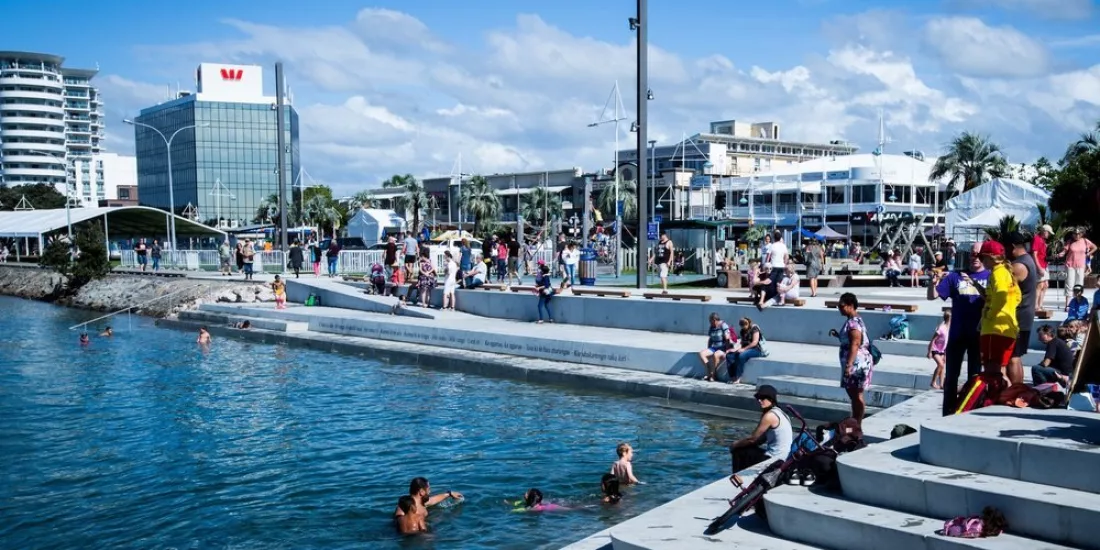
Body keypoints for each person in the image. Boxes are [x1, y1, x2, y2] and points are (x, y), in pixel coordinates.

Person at [929, 247, 989, 415]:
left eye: (978, 255)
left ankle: (970, 409)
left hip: (978, 333)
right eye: (972, 254)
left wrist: (974, 283)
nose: (975, 257)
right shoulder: (956, 276)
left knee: (975, 375)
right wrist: (933, 282)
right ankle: (948, 412)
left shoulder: (991, 276)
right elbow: (932, 295)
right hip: (957, 333)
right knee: (951, 376)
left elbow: (992, 299)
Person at [972, 240, 1021, 387]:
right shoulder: (1008, 273)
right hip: (1008, 328)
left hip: (994, 328)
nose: (981, 262)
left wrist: (990, 314)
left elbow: (1001, 295)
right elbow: (1017, 297)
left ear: (990, 258)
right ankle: (1007, 395)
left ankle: (996, 397)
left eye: (982, 258)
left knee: (991, 369)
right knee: (1000, 369)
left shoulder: (998, 273)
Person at [829, 292, 874, 423]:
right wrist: (838, 335)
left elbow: (855, 342)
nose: (839, 308)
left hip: (856, 364)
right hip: (854, 362)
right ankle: (855, 421)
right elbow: (849, 340)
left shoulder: (853, 322)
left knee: (856, 394)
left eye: (841, 306)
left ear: (851, 305)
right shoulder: (852, 320)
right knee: (853, 394)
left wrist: (849, 365)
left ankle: (857, 423)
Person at [728, 384, 793, 473]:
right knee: (747, 448)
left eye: (762, 398)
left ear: (771, 399)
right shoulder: (781, 413)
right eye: (758, 398)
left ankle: (737, 476)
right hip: (784, 457)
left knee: (738, 450)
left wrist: (735, 444)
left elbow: (752, 439)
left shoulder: (769, 416)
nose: (759, 400)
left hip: (774, 459)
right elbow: (760, 440)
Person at [1007, 232, 1037, 386]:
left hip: (1018, 317)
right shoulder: (1028, 260)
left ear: (1012, 247)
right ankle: (1018, 389)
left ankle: (1015, 390)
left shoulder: (1018, 265)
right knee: (1016, 355)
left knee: (1012, 356)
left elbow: (1004, 291)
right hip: (1025, 315)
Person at [1056, 228, 1096, 309]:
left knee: (1079, 285)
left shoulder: (1085, 241)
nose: (1077, 235)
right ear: (1073, 234)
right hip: (1070, 265)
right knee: (1069, 284)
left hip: (1081, 265)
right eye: (1075, 234)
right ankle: (1068, 305)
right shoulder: (1070, 241)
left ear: (1081, 234)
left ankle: (1078, 303)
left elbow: (1094, 247)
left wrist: (1088, 253)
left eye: (1078, 234)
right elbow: (1064, 251)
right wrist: (1060, 254)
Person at [393, 477, 463, 521]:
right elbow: (400, 522)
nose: (430, 491)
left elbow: (433, 500)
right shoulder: (404, 506)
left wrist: (449, 494)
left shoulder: (421, 502)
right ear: (421, 492)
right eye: (428, 489)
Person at [726, 317, 768, 384]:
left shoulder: (754, 329)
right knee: (729, 355)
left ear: (748, 323)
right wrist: (734, 349)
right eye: (741, 326)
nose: (743, 327)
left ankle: (738, 377)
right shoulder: (742, 331)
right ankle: (732, 376)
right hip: (745, 348)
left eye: (744, 325)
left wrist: (744, 349)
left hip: (756, 349)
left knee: (741, 356)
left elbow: (755, 342)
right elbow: (742, 343)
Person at [700, 312, 732, 382]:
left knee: (716, 355)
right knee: (702, 354)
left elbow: (727, 338)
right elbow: (710, 339)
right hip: (714, 347)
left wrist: (727, 350)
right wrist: (708, 348)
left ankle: (713, 375)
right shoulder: (712, 327)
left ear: (714, 320)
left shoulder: (723, 325)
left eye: (710, 321)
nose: (710, 323)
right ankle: (709, 372)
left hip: (722, 347)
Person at [927, 311, 950, 389]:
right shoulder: (941, 328)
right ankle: (933, 382)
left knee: (943, 366)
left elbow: (946, 343)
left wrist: (946, 355)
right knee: (941, 364)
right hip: (935, 349)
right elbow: (933, 339)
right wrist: (929, 351)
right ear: (949, 319)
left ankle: (942, 384)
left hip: (942, 350)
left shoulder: (948, 329)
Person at [1033, 225, 1051, 312]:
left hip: (1044, 265)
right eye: (1048, 233)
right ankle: (1036, 306)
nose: (1049, 235)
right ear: (1044, 231)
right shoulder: (1037, 239)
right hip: (1039, 265)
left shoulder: (1043, 240)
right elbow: (1034, 254)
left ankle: (1040, 305)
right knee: (1039, 285)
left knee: (1045, 285)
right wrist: (1038, 267)